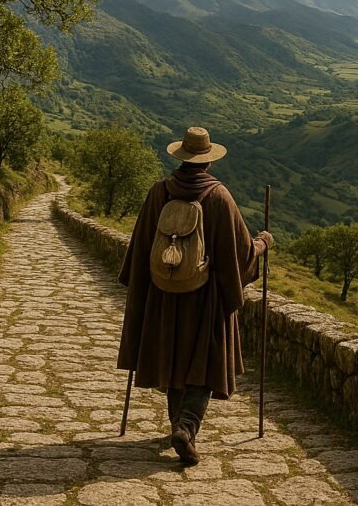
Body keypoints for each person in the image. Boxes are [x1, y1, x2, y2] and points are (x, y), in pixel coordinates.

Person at [116, 126, 273, 465]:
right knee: (202, 364)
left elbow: (142, 246)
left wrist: (143, 289)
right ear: (208, 161)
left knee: (173, 361)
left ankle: (179, 425)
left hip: (163, 296)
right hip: (205, 301)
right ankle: (186, 427)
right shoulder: (219, 197)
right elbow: (240, 254)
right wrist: (262, 244)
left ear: (181, 157)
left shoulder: (158, 193)